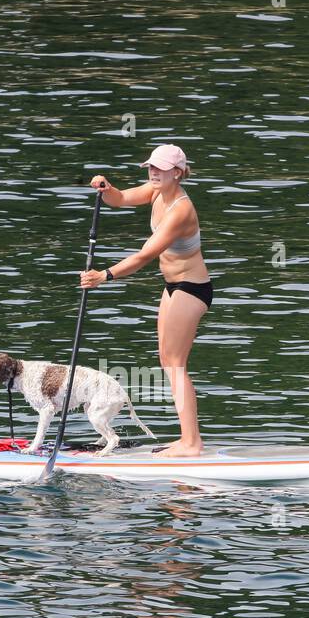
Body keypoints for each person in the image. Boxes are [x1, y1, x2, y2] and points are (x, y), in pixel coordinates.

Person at [79, 144, 211, 457]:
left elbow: (144, 256)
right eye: (151, 167)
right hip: (173, 286)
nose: (153, 173)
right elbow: (121, 199)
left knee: (176, 364)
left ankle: (192, 443)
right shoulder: (155, 191)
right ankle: (186, 439)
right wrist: (106, 188)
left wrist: (105, 275)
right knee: (169, 362)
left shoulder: (180, 209)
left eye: (160, 169)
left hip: (192, 289)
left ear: (177, 173)